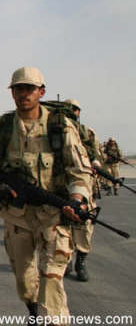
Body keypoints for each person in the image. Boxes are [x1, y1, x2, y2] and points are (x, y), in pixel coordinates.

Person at [0, 67, 92, 323]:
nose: (24, 94)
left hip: (53, 215)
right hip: (17, 216)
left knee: (51, 279)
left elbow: (80, 169)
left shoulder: (59, 125)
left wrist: (76, 200)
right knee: (25, 281)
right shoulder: (2, 126)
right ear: (12, 93)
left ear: (41, 92)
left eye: (29, 88)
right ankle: (33, 313)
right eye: (18, 88)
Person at [64, 98, 103, 282]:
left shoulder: (87, 132)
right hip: (62, 183)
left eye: (75, 109)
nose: (72, 111)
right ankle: (66, 259)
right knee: (63, 224)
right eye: (68, 108)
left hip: (85, 183)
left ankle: (81, 260)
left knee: (85, 223)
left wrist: (95, 163)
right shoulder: (55, 130)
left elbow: (96, 154)